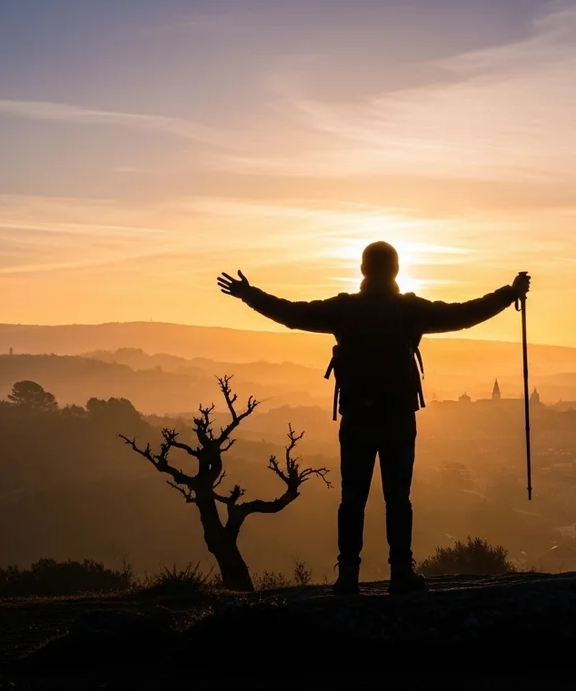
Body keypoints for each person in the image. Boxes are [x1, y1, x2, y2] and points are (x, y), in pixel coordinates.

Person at [217, 242, 530, 595]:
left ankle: (348, 574)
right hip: (398, 418)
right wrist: (509, 294)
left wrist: (248, 294)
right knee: (398, 499)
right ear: (396, 270)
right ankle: (401, 572)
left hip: (356, 418)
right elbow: (462, 314)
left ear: (363, 270)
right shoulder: (409, 310)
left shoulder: (344, 309)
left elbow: (291, 313)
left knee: (352, 499)